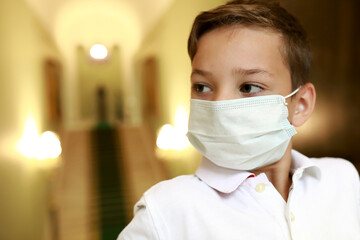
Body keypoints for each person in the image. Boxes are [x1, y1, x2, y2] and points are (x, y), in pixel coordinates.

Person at [118, 0, 360, 239]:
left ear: (301, 105)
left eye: (249, 86)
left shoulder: (342, 178)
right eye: (202, 87)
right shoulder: (163, 212)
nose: (219, 104)